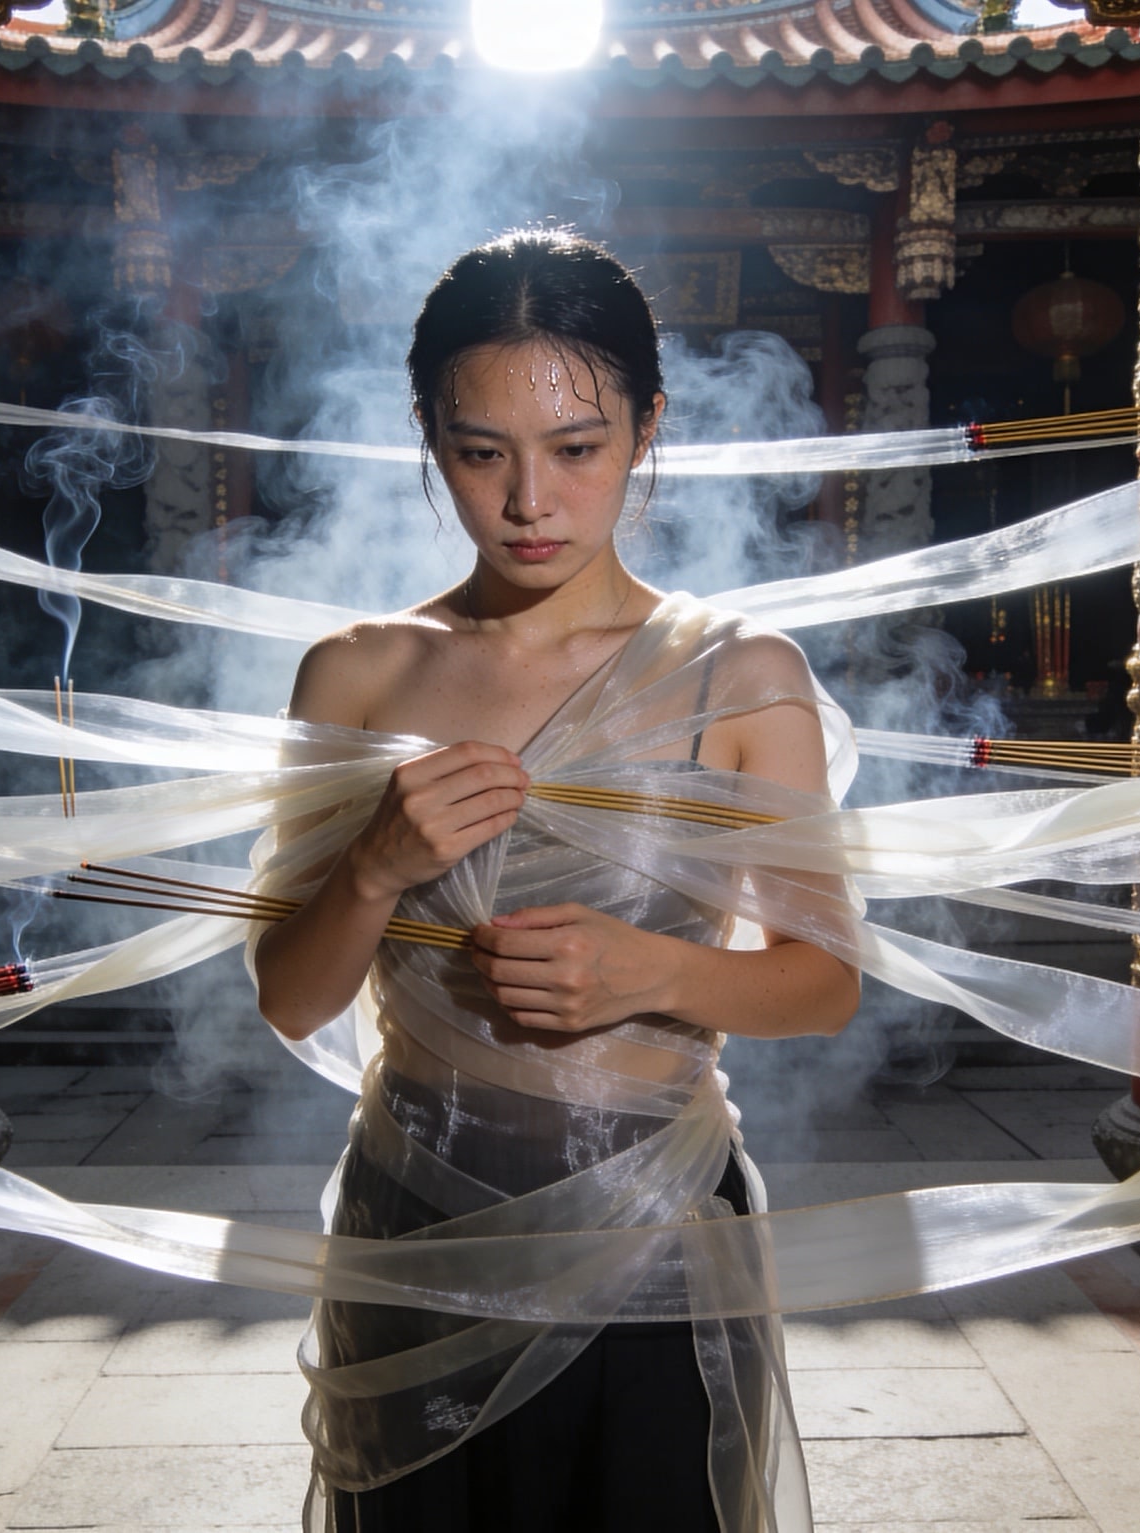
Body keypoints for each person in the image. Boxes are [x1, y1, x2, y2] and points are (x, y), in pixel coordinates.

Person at [251, 229, 861, 1533]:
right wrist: (372, 867)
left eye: (576, 448)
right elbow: (289, 999)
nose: (531, 501)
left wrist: (654, 969)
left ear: (648, 428)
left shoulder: (741, 674)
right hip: (413, 1234)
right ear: (429, 437)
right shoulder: (356, 675)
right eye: (483, 453)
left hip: (651, 1236)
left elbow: (824, 983)